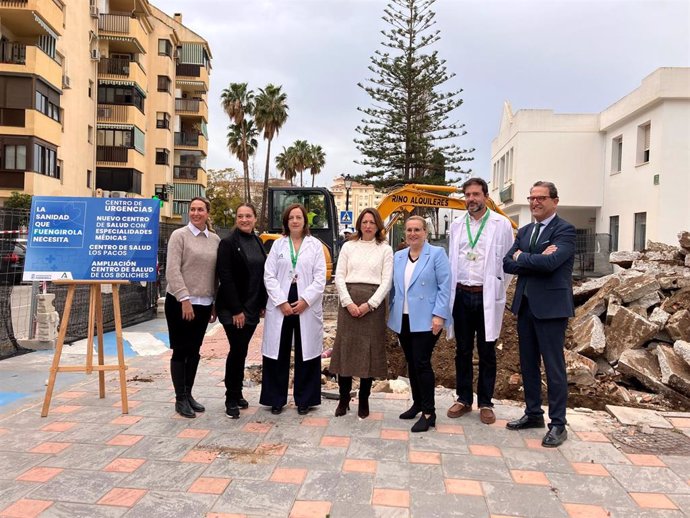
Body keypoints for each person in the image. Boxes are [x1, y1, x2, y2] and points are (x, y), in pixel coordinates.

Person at [503, 181, 576, 448]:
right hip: (525, 306)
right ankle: (533, 413)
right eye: (532, 198)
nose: (535, 202)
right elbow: (507, 262)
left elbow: (551, 264)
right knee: (528, 364)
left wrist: (524, 258)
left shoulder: (565, 231)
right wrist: (529, 258)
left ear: (555, 201)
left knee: (554, 367)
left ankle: (558, 424)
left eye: (541, 198)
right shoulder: (524, 231)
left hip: (551, 309)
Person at [446, 178, 514, 425]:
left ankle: (485, 402)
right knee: (462, 350)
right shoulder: (456, 225)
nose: (471, 199)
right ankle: (464, 398)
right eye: (467, 195)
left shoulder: (501, 224)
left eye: (476, 194)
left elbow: (507, 264)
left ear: (486, 196)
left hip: (486, 295)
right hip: (462, 295)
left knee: (487, 351)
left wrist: (496, 289)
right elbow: (453, 259)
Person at [260, 203, 326, 415]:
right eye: (291, 218)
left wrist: (306, 300)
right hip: (282, 302)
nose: (295, 221)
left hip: (306, 302)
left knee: (306, 351)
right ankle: (275, 399)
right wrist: (281, 301)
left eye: (299, 217)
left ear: (305, 221)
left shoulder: (315, 246)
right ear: (286, 222)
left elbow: (320, 277)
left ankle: (305, 399)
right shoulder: (278, 245)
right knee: (277, 351)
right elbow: (268, 275)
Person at [388, 216, 451, 432]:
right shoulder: (398, 256)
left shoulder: (436, 254)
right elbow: (394, 288)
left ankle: (429, 412)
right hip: (403, 317)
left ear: (425, 232)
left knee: (422, 362)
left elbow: (445, 286)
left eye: (417, 229)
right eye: (409, 229)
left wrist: (439, 315)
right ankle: (417, 403)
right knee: (411, 361)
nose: (413, 233)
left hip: (426, 318)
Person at [331, 208, 393, 418]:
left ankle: (364, 399)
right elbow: (339, 276)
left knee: (369, 352)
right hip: (348, 302)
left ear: (378, 226)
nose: (368, 226)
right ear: (359, 224)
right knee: (345, 351)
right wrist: (348, 302)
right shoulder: (348, 246)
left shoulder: (385, 249)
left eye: (372, 222)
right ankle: (343, 398)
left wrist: (370, 304)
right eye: (365, 222)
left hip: (372, 306)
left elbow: (386, 281)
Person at [164, 197, 220, 418]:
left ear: (208, 213)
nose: (196, 213)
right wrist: (184, 299)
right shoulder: (179, 236)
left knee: (194, 351)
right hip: (180, 303)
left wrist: (214, 301)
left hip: (204, 304)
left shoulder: (214, 240)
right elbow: (172, 270)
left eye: (201, 210)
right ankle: (180, 399)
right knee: (181, 350)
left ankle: (189, 393)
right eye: (193, 209)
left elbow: (215, 274)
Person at [216, 203, 267, 419]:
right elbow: (225, 276)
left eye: (248, 216)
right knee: (237, 350)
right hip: (233, 309)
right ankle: (230, 397)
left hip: (253, 308)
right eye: (240, 216)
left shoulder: (257, 241)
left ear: (255, 219)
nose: (244, 219)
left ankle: (237, 393)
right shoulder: (228, 243)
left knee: (242, 350)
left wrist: (263, 303)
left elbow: (262, 275)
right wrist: (237, 310)